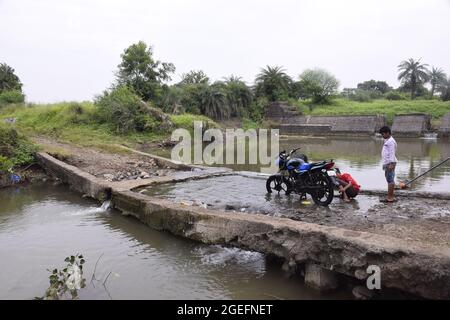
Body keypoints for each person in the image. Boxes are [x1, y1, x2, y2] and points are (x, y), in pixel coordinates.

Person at [379, 126, 397, 203]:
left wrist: (392, 164)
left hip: (390, 163)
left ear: (387, 133)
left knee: (390, 180)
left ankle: (390, 198)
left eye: (383, 134)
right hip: (388, 163)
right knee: (389, 179)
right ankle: (391, 196)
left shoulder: (390, 142)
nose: (382, 136)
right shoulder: (388, 140)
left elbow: (392, 153)